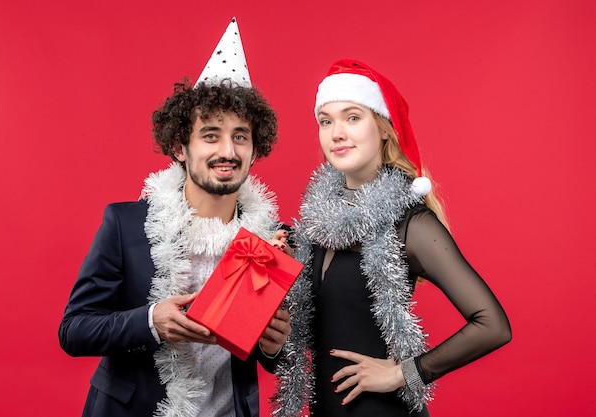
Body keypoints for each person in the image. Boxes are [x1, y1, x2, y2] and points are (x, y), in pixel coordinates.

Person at [59, 18, 291, 417]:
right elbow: (74, 330)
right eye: (211, 135)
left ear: (256, 149)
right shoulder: (125, 225)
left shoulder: (274, 241)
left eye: (240, 136)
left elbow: (277, 357)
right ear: (180, 147)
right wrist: (149, 321)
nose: (228, 151)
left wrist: (274, 347)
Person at [272, 59, 512, 417]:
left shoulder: (411, 224)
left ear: (383, 128)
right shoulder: (316, 230)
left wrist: (404, 373)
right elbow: (301, 338)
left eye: (352, 117)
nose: (336, 132)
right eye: (326, 121)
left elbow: (493, 325)